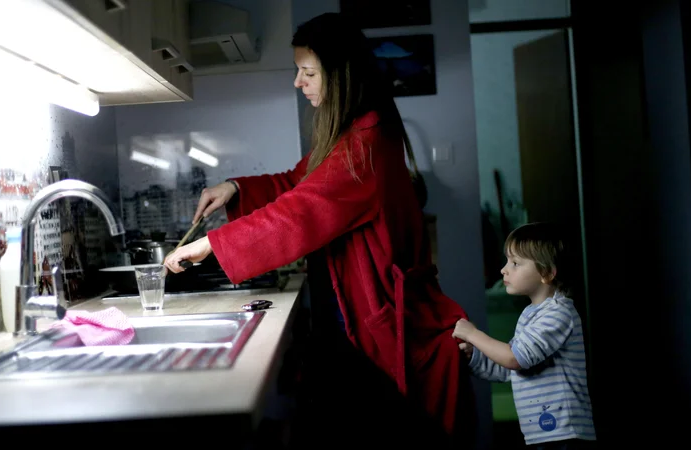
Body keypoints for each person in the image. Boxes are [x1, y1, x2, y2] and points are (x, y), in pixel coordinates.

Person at [165, 12, 474, 448]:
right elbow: (300, 183)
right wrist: (234, 187)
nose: (298, 82)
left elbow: (301, 210)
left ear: (341, 74)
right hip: (357, 313)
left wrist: (210, 245)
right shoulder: (353, 134)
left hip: (375, 319)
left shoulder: (364, 146)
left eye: (308, 72)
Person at [452, 222, 596, 449]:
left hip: (564, 433)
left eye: (515, 263)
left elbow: (514, 359)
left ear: (546, 273)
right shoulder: (531, 315)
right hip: (544, 433)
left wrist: (473, 334)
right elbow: (508, 367)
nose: (504, 269)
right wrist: (473, 356)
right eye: (507, 261)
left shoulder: (559, 313)